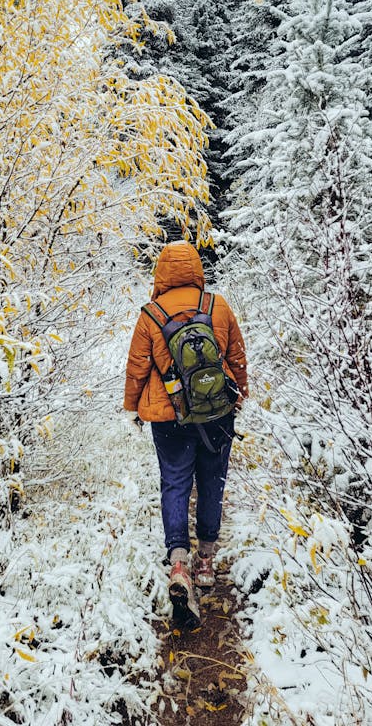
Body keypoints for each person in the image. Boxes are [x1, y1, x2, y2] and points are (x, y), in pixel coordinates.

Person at [123, 240, 249, 626]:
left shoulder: (151, 314)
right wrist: (239, 395)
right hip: (216, 413)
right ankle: (206, 561)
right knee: (212, 482)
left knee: (175, 483)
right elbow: (236, 357)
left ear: (161, 272)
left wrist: (133, 407)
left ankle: (178, 563)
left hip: (168, 416)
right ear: (196, 269)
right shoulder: (218, 306)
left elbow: (137, 367)